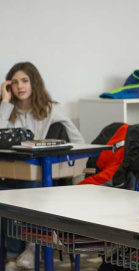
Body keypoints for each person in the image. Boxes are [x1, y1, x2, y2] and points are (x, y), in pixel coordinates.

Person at [0, 62, 84, 271]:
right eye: (15, 82)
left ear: (34, 82)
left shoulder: (51, 109)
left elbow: (78, 140)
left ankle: (30, 247)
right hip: (13, 173)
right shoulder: (7, 110)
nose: (20, 86)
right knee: (6, 195)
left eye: (25, 81)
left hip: (44, 175)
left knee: (30, 191)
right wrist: (5, 103)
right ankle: (13, 256)